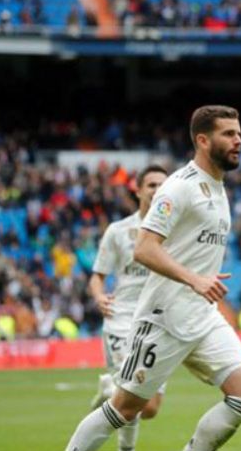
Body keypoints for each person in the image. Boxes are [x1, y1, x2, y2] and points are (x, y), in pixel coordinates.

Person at [65, 105, 241, 451]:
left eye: (239, 134)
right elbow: (144, 248)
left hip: (202, 316)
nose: (238, 140)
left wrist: (202, 283)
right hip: (164, 318)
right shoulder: (178, 188)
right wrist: (194, 280)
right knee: (125, 408)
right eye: (228, 134)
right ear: (202, 139)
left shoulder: (218, 187)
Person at [86, 164, 168, 451]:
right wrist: (98, 296)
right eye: (152, 185)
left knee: (151, 408)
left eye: (162, 185)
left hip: (158, 323)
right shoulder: (118, 231)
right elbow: (97, 276)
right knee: (132, 399)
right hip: (121, 321)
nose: (158, 190)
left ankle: (108, 389)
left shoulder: (177, 232)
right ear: (138, 190)